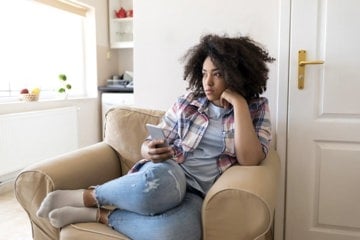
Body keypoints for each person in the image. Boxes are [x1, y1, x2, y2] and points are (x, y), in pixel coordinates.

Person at [36, 33, 275, 240]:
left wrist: (239, 103)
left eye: (217, 74)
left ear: (236, 75)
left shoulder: (255, 108)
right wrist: (148, 150)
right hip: (171, 173)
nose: (207, 82)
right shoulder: (188, 101)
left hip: (199, 193)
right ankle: (85, 196)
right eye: (203, 74)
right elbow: (148, 144)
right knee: (159, 187)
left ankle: (99, 215)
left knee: (176, 235)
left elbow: (249, 159)